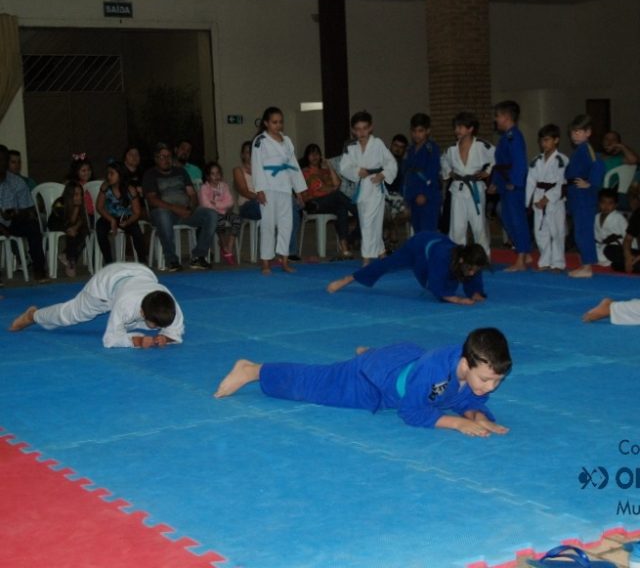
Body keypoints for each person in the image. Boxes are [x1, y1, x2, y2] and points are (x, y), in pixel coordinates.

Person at [214, 327, 512, 437]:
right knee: (313, 384)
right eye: (485, 379)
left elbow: (465, 398)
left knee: (402, 369)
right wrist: (458, 423)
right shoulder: (436, 368)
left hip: (401, 361)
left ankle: (371, 354)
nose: (489, 387)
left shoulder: (468, 371)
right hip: (369, 382)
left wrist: (477, 416)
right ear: (465, 363)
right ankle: (253, 370)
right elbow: (411, 412)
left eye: (496, 382)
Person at [9, 263, 184, 348]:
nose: (157, 328)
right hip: (106, 285)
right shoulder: (125, 304)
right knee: (71, 314)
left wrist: (165, 338)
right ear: (142, 312)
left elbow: (175, 330)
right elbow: (110, 339)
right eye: (155, 324)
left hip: (139, 273)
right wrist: (137, 341)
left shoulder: (168, 303)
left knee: (146, 325)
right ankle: (34, 315)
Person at [327, 230, 488, 305]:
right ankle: (349, 278)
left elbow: (474, 272)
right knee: (387, 264)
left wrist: (475, 292)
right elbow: (436, 287)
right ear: (461, 259)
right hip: (417, 247)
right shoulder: (442, 256)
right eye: (471, 268)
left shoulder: (468, 259)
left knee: (461, 276)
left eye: (475, 270)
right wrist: (458, 299)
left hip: (434, 243)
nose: (473, 272)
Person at [142, 142, 217, 271]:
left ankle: (199, 256)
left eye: (169, 156)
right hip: (163, 212)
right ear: (156, 158)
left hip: (184, 211)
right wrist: (175, 208)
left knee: (211, 214)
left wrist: (191, 208)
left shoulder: (180, 171)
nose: (166, 159)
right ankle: (171, 260)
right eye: (162, 156)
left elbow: (192, 194)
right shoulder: (150, 174)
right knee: (162, 214)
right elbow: (152, 200)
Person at [251, 107, 307, 275]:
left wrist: (298, 191)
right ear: (266, 123)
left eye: (280, 122)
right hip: (268, 186)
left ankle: (284, 261)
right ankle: (266, 262)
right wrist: (259, 190)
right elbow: (256, 165)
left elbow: (293, 166)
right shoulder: (260, 141)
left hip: (284, 186)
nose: (278, 125)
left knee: (286, 224)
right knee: (268, 225)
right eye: (274, 122)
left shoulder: (287, 140)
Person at [339, 111, 397, 265]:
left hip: (375, 186)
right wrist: (357, 171)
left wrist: (383, 174)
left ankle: (366, 259)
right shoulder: (352, 147)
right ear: (353, 130)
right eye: (358, 129)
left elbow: (391, 163)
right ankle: (382, 253)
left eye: (365, 128)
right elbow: (344, 167)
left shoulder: (377, 144)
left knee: (368, 222)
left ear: (371, 128)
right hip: (362, 188)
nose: (362, 132)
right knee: (372, 222)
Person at [233, 140, 302, 261]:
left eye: (253, 151)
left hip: (267, 202)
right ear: (242, 155)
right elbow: (244, 191)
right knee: (283, 206)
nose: (251, 154)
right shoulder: (238, 170)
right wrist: (261, 197)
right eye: (248, 152)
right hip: (249, 205)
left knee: (290, 209)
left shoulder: (263, 169)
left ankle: (289, 252)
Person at [440, 112, 495, 255]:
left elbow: (497, 157)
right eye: (455, 127)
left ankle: (483, 258)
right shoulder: (451, 148)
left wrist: (488, 171)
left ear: (470, 129)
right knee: (457, 227)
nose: (456, 130)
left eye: (460, 127)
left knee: (479, 227)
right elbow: (443, 161)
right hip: (457, 189)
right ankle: (457, 258)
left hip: (475, 188)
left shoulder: (482, 145)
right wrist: (449, 172)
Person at [489, 101, 532, 271]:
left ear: (506, 117)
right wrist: (495, 182)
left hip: (513, 185)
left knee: (516, 219)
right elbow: (500, 164)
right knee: (507, 217)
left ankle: (521, 258)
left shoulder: (515, 136)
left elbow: (519, 162)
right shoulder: (505, 137)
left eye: (497, 116)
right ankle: (525, 252)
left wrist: (515, 182)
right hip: (504, 183)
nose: (495, 119)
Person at [0, 144, 49, 283]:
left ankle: (39, 269)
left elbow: (29, 210)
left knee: (32, 225)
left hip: (13, 221)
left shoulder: (17, 182)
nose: (1, 163)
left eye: (4, 160)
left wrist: (16, 213)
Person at [565, 115, 606, 278]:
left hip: (584, 197)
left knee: (584, 231)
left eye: (579, 132)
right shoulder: (579, 151)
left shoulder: (588, 150)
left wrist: (591, 184)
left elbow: (598, 166)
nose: (575, 135)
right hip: (576, 194)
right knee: (579, 232)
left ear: (588, 132)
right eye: (573, 132)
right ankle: (585, 264)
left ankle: (587, 266)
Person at [525, 124, 569, 272]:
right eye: (541, 140)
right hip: (538, 196)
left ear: (556, 140)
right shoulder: (536, 160)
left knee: (557, 231)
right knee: (540, 231)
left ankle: (558, 263)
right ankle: (544, 260)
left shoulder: (562, 160)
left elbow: (561, 183)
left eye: (547, 140)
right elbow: (530, 182)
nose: (543, 144)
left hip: (554, 200)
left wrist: (547, 199)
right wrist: (529, 201)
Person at [299, 143, 353, 259]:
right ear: (307, 156)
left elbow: (337, 184)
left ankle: (344, 248)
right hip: (313, 204)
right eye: (311, 154)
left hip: (328, 201)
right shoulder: (305, 172)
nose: (315, 156)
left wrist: (329, 166)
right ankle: (357, 212)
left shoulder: (325, 171)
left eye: (317, 153)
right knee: (338, 195)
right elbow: (317, 190)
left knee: (342, 208)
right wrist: (333, 189)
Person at [96, 161, 147, 265]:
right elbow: (99, 207)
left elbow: (137, 212)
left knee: (136, 232)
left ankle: (143, 262)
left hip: (126, 217)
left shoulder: (130, 189)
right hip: (109, 216)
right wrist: (111, 220)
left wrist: (128, 222)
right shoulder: (105, 187)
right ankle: (109, 262)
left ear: (120, 175)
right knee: (100, 228)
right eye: (108, 173)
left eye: (112, 173)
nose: (109, 176)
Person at [403, 113, 442, 234]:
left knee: (427, 232)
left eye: (420, 131)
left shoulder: (432, 149)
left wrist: (424, 194)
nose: (417, 134)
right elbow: (407, 174)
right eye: (414, 131)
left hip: (428, 196)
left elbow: (432, 173)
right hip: (413, 195)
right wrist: (407, 198)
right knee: (417, 231)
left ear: (428, 131)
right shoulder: (410, 150)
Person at [199, 161, 241, 265]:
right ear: (208, 176)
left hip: (224, 212)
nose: (216, 176)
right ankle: (223, 244)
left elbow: (230, 202)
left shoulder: (224, 186)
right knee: (219, 219)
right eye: (213, 174)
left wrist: (216, 204)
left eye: (218, 173)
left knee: (237, 219)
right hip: (211, 215)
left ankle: (229, 245)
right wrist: (222, 206)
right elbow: (205, 204)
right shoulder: (204, 188)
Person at [48, 180, 89, 277]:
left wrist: (75, 227)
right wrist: (70, 228)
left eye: (80, 194)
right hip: (57, 224)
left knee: (84, 231)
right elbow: (68, 221)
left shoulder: (79, 203)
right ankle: (71, 260)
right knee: (71, 233)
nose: (79, 197)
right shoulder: (60, 202)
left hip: (71, 225)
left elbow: (81, 219)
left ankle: (68, 257)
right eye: (76, 194)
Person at [602, 182, 640, 273]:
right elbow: (628, 239)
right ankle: (631, 264)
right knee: (609, 250)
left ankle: (628, 265)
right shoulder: (638, 214)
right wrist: (628, 257)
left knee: (617, 265)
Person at [383, 134, 410, 250]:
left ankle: (391, 229)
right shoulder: (382, 161)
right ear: (391, 145)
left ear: (404, 150)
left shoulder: (405, 164)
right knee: (385, 212)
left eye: (401, 147)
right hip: (382, 195)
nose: (398, 149)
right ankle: (391, 233)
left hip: (397, 196)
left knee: (408, 212)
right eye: (395, 145)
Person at [594, 188, 627, 267]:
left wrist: (629, 252)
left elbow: (628, 236)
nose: (606, 206)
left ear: (616, 205)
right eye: (603, 202)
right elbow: (597, 237)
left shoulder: (619, 218)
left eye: (610, 203)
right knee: (588, 250)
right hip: (602, 246)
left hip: (617, 247)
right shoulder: (596, 217)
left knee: (607, 252)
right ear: (599, 203)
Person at [67, 153, 95, 219]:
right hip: (81, 216)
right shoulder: (75, 185)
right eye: (83, 171)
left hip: (94, 214)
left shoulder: (93, 184)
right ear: (76, 172)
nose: (87, 173)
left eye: (89, 170)